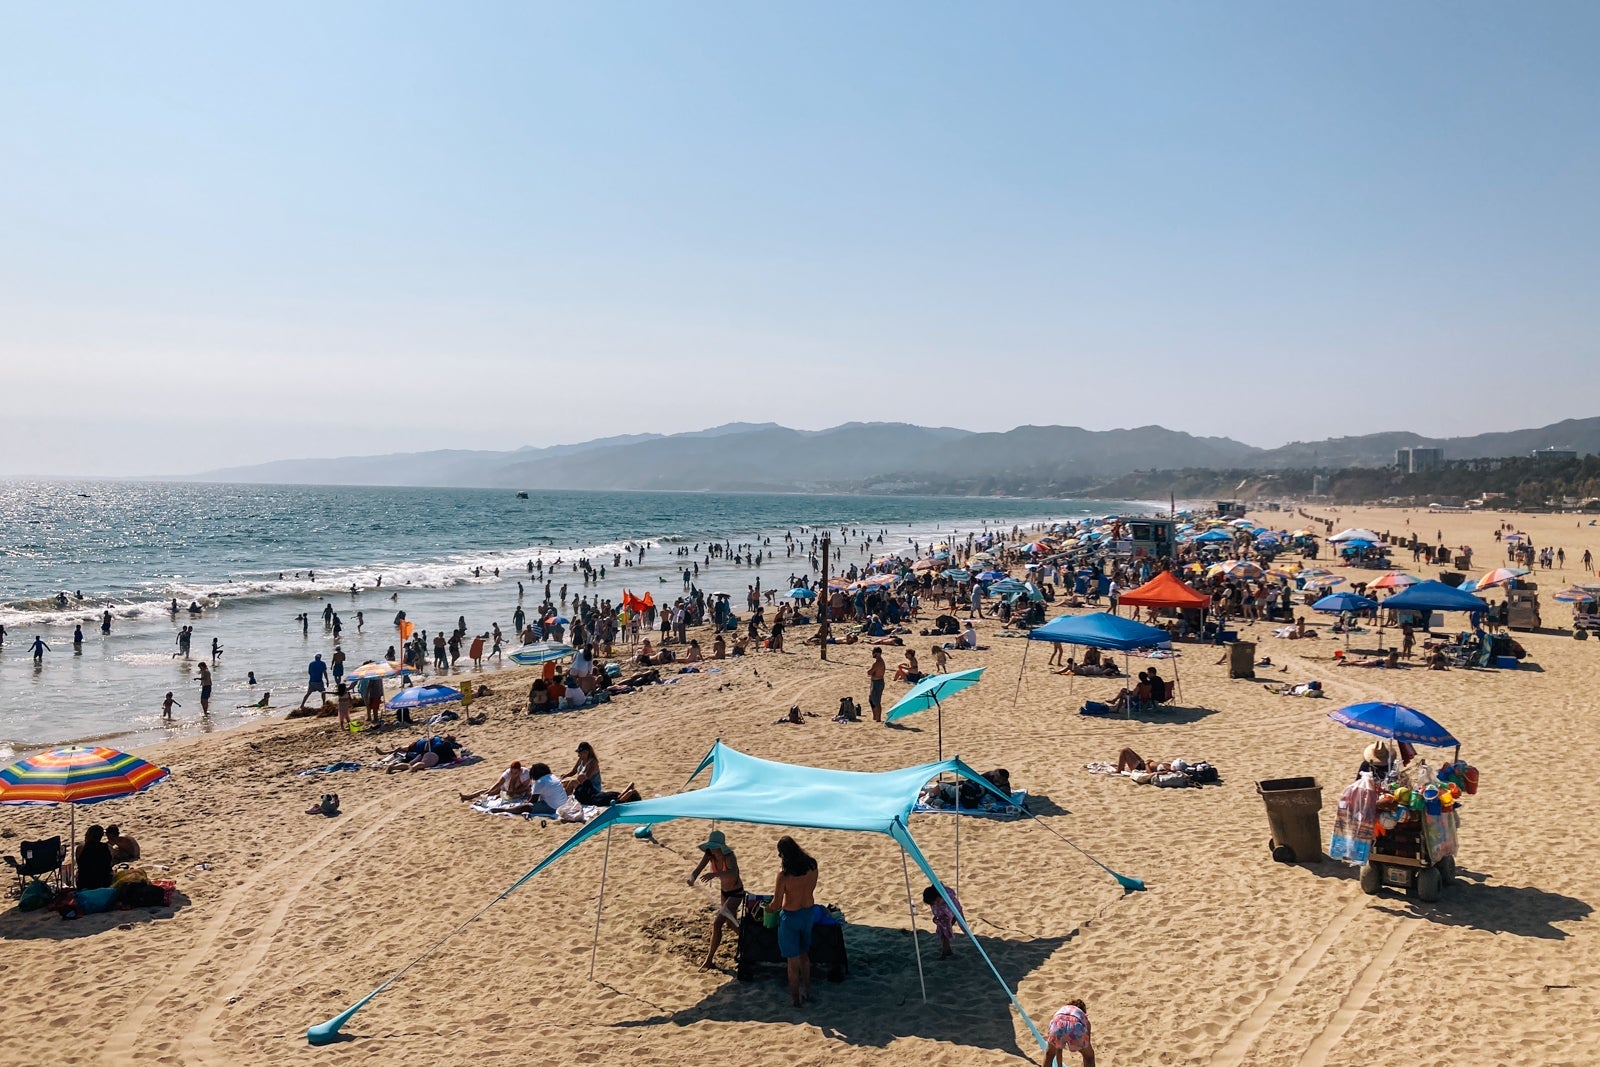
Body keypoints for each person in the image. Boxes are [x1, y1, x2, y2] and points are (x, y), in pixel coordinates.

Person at [771, 835, 819, 1008]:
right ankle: (807, 991)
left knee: (793, 961)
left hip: (791, 917)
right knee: (804, 955)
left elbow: (776, 904)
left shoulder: (784, 876)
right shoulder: (812, 865)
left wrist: (767, 909)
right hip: (808, 913)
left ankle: (795, 1000)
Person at [687, 829, 744, 971]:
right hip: (724, 892)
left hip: (736, 893)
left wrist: (715, 875)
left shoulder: (729, 856)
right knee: (731, 925)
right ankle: (748, 940)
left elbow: (733, 872)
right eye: (710, 847)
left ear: (721, 847)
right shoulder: (709, 855)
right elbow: (698, 868)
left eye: (714, 847)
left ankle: (709, 960)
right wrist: (692, 878)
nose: (712, 850)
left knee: (717, 923)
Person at [560, 742, 640, 807]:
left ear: (586, 752)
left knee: (573, 782)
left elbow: (628, 792)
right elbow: (631, 785)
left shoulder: (619, 801)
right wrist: (566, 776)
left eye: (580, 753)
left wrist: (631, 792)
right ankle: (564, 795)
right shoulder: (619, 796)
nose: (578, 755)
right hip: (594, 793)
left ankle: (562, 802)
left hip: (591, 794)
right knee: (577, 778)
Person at [1044, 999, 1096, 1066]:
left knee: (1049, 1055)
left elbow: (1058, 1048)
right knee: (1089, 1057)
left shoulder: (1063, 1009)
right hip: (1075, 1025)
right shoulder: (1082, 1016)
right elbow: (1087, 1043)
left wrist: (1059, 1065)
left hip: (1057, 1022)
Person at [459, 760, 532, 803]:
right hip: (507, 787)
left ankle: (499, 795)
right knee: (489, 791)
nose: (513, 774)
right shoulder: (508, 773)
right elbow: (499, 783)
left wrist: (514, 787)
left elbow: (525, 787)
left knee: (523, 791)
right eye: (512, 772)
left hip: (522, 789)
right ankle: (468, 797)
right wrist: (488, 792)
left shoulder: (525, 773)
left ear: (520, 770)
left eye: (515, 772)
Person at [922, 884, 963, 958]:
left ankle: (945, 953)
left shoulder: (946, 900)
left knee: (945, 934)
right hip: (943, 918)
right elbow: (937, 910)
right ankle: (948, 951)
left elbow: (951, 913)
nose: (934, 904)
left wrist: (944, 920)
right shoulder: (937, 901)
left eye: (933, 902)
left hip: (953, 915)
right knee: (943, 934)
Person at [75, 824, 114, 891]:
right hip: (104, 884)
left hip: (85, 885)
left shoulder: (81, 848)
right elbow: (109, 864)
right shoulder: (109, 848)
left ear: (88, 836)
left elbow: (80, 864)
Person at [867, 647, 886, 722]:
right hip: (876, 682)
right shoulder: (880, 661)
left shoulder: (877, 663)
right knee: (871, 699)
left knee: (876, 701)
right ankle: (875, 716)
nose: (873, 654)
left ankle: (878, 718)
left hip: (877, 683)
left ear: (878, 653)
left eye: (874, 653)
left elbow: (870, 672)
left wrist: (869, 671)